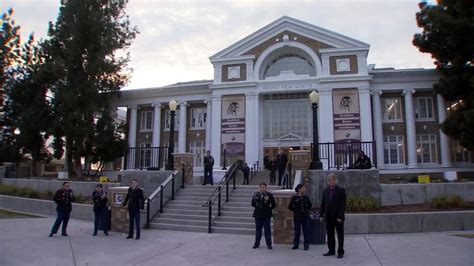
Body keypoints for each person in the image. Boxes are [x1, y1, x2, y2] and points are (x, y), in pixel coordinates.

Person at [319, 174, 347, 259]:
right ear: (327, 182)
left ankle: (340, 252)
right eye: (329, 180)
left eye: (332, 179)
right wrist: (321, 215)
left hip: (338, 217)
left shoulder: (341, 191)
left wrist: (340, 216)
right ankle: (331, 250)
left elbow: (343, 205)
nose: (331, 181)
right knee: (330, 235)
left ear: (335, 181)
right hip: (328, 217)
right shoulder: (325, 191)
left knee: (340, 235)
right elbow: (323, 204)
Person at [251, 183, 276, 250]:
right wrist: (259, 208)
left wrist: (268, 209)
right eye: (261, 187)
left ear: (266, 188)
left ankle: (269, 244)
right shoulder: (256, 194)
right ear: (259, 188)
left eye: (264, 187)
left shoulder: (269, 195)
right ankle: (256, 244)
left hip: (266, 214)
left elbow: (273, 204)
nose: (262, 188)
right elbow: (253, 204)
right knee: (258, 230)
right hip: (258, 214)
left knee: (267, 230)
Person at [288, 184, 312, 250]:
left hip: (305, 216)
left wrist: (306, 210)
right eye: (303, 188)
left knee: (306, 231)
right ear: (299, 189)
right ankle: (296, 244)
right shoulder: (294, 197)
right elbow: (290, 206)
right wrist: (296, 210)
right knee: (297, 231)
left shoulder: (306, 197)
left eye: (304, 188)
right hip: (297, 217)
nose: (304, 189)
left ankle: (306, 245)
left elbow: (310, 205)